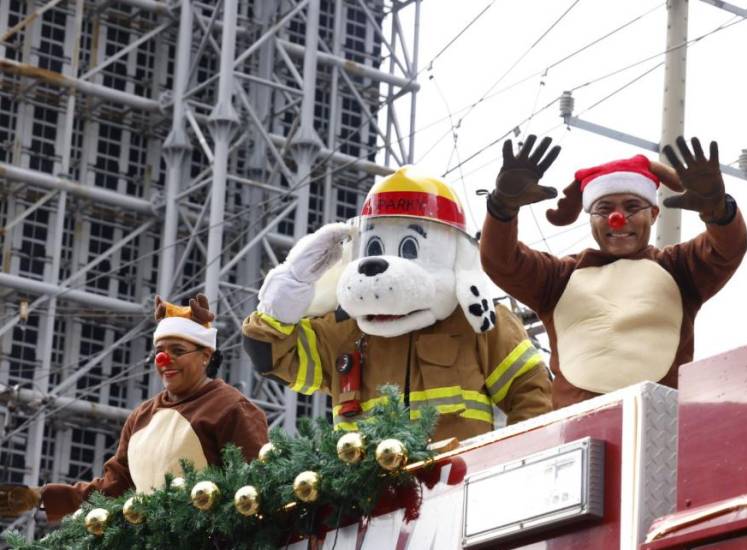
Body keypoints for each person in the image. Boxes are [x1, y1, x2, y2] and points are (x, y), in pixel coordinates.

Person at [242, 168, 552, 442]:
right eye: (375, 245)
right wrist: (292, 282)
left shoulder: (480, 324)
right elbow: (271, 354)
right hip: (364, 499)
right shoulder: (340, 332)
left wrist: (510, 462)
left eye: (409, 247)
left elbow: (532, 395)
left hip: (454, 490)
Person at [480, 135, 747, 408]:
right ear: (591, 218)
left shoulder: (679, 269)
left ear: (654, 214)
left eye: (632, 207)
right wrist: (502, 208)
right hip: (576, 434)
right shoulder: (558, 279)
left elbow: (727, 248)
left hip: (660, 420)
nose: (617, 219)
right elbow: (501, 261)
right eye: (604, 209)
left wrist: (718, 210)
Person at [27, 294, 268, 522]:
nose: (165, 359)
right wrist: (40, 498)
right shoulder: (141, 416)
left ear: (206, 355)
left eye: (178, 350)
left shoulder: (230, 407)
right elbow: (114, 486)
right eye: (159, 351)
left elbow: (256, 486)